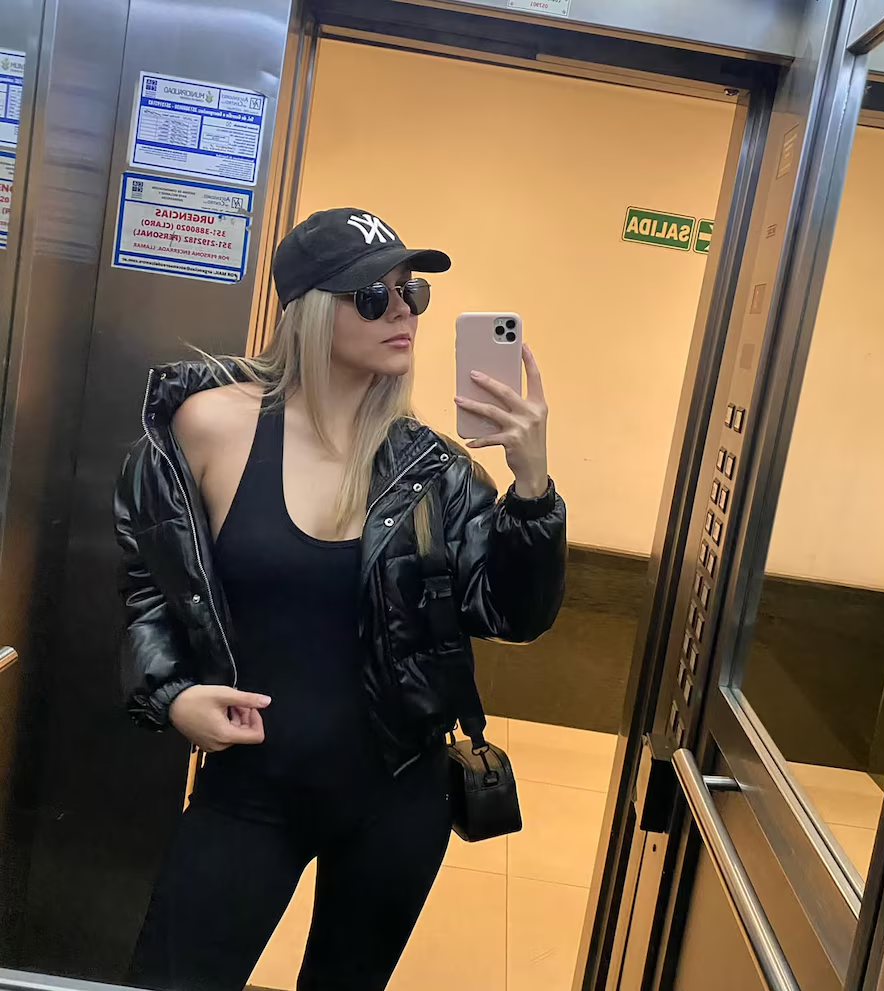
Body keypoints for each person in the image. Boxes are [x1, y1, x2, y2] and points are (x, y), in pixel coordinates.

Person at [113, 208, 567, 991]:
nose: (403, 313)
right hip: (249, 787)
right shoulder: (210, 426)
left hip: (396, 797)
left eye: (412, 293)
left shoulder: (432, 470)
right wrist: (171, 693)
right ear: (312, 311)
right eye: (374, 296)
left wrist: (531, 488)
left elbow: (512, 614)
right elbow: (149, 577)